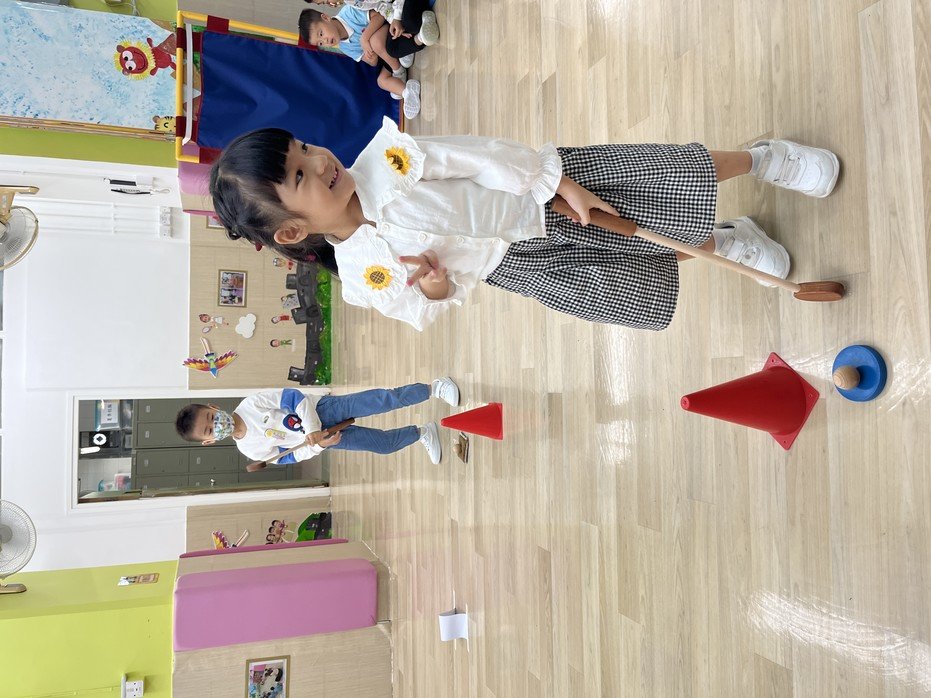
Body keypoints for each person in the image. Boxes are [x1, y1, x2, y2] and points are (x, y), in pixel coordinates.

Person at [208, 119, 839, 331]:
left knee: (663, 179)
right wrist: (435, 287)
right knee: (638, 261)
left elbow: (481, 156)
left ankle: (763, 158)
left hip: (546, 196)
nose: (320, 161)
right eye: (300, 174)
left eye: (304, 147)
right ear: (291, 231)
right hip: (524, 263)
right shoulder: (359, 276)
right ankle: (726, 241)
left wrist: (555, 183)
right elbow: (420, 307)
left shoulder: (389, 161)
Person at [174, 379, 460, 466]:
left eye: (211, 417)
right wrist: (319, 445)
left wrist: (311, 429)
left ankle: (434, 388)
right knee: (382, 445)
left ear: (213, 407)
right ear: (209, 441)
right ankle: (423, 432)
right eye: (210, 430)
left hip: (324, 409)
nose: (216, 423)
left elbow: (294, 397)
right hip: (326, 439)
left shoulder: (251, 404)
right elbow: (290, 456)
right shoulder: (250, 449)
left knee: (383, 400)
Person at [299, 7, 422, 119]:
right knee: (381, 81)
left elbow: (379, 16)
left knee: (375, 41)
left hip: (390, 32)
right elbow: (372, 62)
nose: (325, 41)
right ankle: (408, 92)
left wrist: (365, 38)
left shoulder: (349, 13)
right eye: (320, 43)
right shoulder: (343, 47)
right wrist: (371, 56)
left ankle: (399, 69)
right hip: (386, 56)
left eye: (321, 34)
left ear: (326, 18)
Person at [304, 0, 439, 68]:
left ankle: (423, 23)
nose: (331, 4)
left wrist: (397, 18)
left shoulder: (348, 11)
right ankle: (421, 37)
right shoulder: (351, 3)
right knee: (392, 49)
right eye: (325, 3)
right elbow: (380, 7)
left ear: (325, 18)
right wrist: (393, 20)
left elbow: (380, 13)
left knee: (410, 23)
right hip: (394, 10)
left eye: (326, 0)